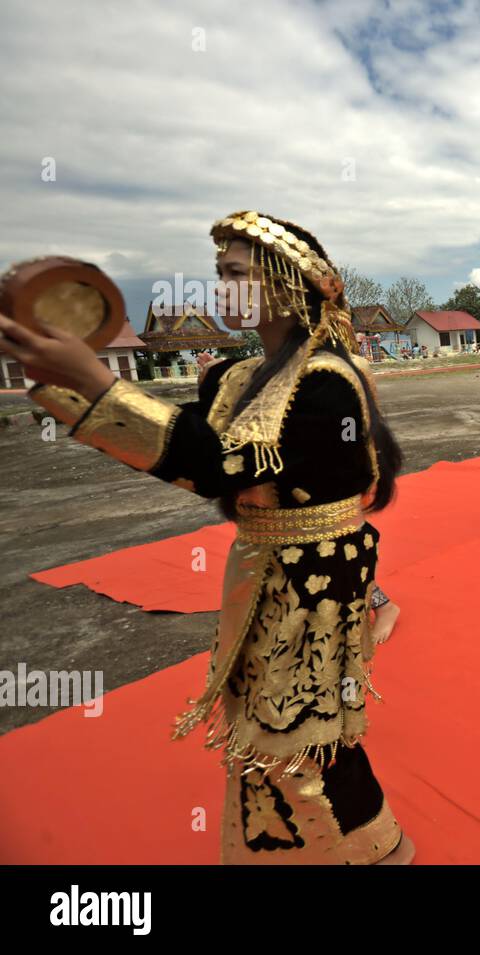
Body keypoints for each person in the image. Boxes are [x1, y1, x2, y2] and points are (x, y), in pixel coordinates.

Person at [0, 210, 414, 864]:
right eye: (217, 273)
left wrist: (97, 383)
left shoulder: (330, 380)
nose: (218, 288)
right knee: (283, 719)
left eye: (233, 274)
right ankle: (370, 842)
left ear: (284, 282)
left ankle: (341, 850)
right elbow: (190, 455)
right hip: (258, 565)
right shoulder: (235, 377)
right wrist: (65, 381)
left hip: (318, 574)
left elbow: (226, 462)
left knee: (291, 725)